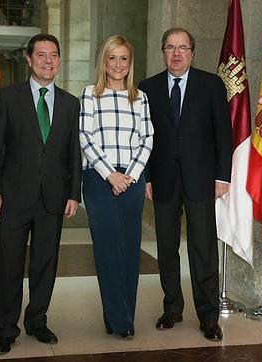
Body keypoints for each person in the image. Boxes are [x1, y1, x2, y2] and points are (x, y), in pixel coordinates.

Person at [0, 33, 81, 356]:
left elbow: (73, 154)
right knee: (10, 264)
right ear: (29, 59)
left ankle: (37, 320)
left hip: (53, 197)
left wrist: (73, 194)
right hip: (13, 196)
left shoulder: (70, 103)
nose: (48, 61)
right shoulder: (9, 98)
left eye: (53, 55)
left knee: (45, 263)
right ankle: (5, 329)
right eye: (41, 55)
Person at [138, 27, 232, 341]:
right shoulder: (146, 88)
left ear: (192, 52)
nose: (176, 54)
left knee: (203, 248)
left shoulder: (211, 85)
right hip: (162, 180)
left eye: (182, 47)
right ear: (162, 52)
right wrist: (147, 177)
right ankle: (172, 308)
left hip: (202, 179)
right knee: (166, 247)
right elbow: (144, 138)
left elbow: (223, 133)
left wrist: (223, 176)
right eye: (170, 47)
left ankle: (208, 317)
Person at [79, 35, 154, 339]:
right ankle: (119, 319)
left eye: (124, 58)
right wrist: (111, 174)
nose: (118, 65)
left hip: (132, 181)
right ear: (104, 61)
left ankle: (123, 317)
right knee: (108, 250)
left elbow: (147, 139)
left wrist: (131, 175)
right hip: (100, 181)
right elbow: (85, 137)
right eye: (112, 58)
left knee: (129, 252)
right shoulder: (89, 95)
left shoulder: (141, 98)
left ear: (129, 63)